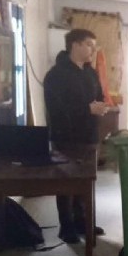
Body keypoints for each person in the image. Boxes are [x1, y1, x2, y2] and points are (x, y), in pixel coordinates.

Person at [44, 28, 109, 243]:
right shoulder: (56, 75)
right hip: (66, 137)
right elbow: (57, 108)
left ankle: (83, 221)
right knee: (66, 183)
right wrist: (87, 109)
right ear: (75, 45)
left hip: (89, 135)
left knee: (86, 181)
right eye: (89, 44)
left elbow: (97, 96)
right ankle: (67, 226)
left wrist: (99, 107)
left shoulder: (90, 73)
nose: (93, 49)